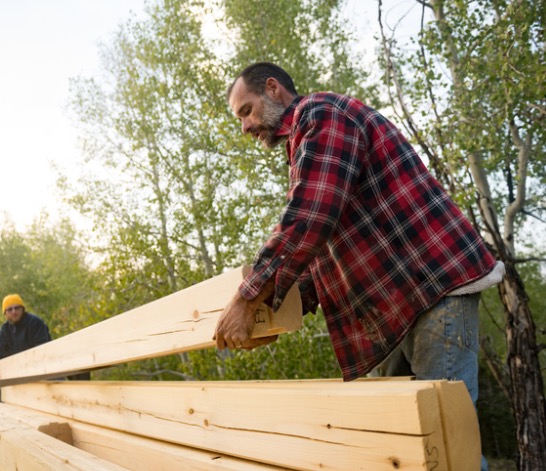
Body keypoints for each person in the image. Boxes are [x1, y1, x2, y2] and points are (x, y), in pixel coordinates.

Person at [214, 63, 503, 468]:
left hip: (434, 287)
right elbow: (324, 249)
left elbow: (311, 215)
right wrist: (275, 313)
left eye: (246, 111)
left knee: (445, 448)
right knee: (396, 447)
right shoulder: (304, 146)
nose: (244, 126)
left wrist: (247, 299)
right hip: (396, 307)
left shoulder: (322, 114)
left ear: (274, 89)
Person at [0, 294, 52, 380]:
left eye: (17, 308)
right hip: (20, 375)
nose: (14, 311)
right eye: (9, 309)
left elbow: (43, 350)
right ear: (5, 313)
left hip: (45, 372)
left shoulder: (35, 323)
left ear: (23, 309)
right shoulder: (4, 331)